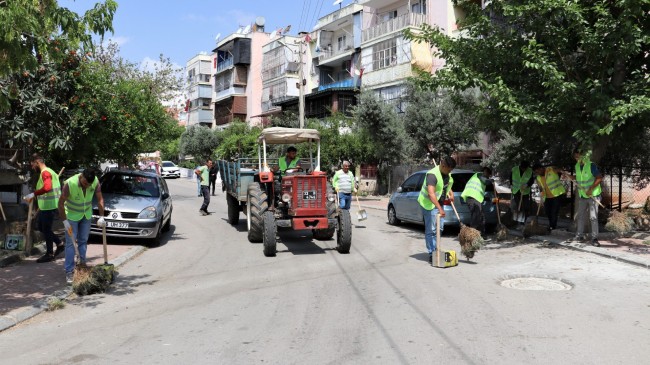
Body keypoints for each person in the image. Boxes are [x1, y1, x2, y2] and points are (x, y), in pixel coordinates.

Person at [57, 169, 105, 284]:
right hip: (71, 217)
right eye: (84, 184)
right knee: (70, 243)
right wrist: (64, 221)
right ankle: (69, 271)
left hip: (86, 215)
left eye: (89, 185)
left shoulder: (95, 182)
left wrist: (102, 217)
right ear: (81, 176)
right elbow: (60, 203)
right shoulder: (70, 184)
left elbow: (100, 199)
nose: (86, 186)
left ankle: (81, 267)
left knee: (83, 241)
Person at [24, 154, 64, 263]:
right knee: (41, 227)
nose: (32, 167)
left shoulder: (45, 172)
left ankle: (49, 254)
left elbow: (47, 187)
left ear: (37, 162)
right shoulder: (50, 171)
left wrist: (33, 194)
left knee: (45, 229)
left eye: (32, 165)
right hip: (48, 206)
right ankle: (59, 244)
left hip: (49, 206)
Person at [417, 156, 456, 265]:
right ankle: (432, 253)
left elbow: (446, 185)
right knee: (432, 229)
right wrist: (439, 209)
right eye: (449, 169)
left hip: (440, 203)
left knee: (440, 227)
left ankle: (436, 249)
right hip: (429, 204)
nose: (450, 172)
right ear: (443, 166)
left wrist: (451, 193)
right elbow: (431, 194)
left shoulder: (446, 173)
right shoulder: (432, 175)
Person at [564, 149, 603, 246]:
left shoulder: (591, 165)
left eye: (578, 156)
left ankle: (594, 238)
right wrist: (569, 176)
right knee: (580, 216)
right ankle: (579, 236)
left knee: (593, 217)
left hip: (593, 195)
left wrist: (591, 188)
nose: (577, 158)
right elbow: (578, 177)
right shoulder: (577, 166)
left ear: (583, 156)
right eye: (575, 157)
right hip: (582, 195)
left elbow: (599, 177)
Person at [460, 166, 492, 240]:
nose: (488, 176)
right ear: (485, 171)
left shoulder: (481, 178)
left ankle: (482, 235)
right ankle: (471, 236)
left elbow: (479, 191)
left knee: (481, 217)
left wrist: (487, 198)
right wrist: (491, 181)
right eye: (488, 175)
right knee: (476, 217)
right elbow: (485, 181)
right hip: (472, 198)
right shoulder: (479, 175)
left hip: (476, 199)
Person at [533, 163, 566, 231]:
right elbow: (540, 187)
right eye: (536, 172)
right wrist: (541, 192)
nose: (537, 173)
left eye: (537, 171)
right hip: (547, 197)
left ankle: (552, 226)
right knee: (548, 212)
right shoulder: (538, 178)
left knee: (554, 211)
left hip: (557, 194)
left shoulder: (551, 170)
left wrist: (563, 172)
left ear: (541, 168)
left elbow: (560, 170)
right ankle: (551, 224)